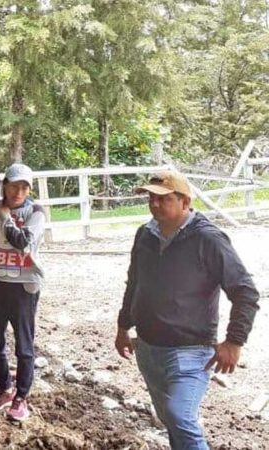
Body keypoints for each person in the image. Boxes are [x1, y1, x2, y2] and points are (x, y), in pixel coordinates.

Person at [115, 171, 260, 449]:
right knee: (171, 420)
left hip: (190, 350)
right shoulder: (145, 235)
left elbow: (245, 291)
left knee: (179, 416)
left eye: (163, 199)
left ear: (185, 202)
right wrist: (124, 326)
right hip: (148, 348)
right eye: (151, 198)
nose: (154, 204)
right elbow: (135, 282)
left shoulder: (208, 239)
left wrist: (234, 341)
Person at [0, 163, 46, 421]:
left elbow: (22, 243)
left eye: (25, 186)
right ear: (5, 185)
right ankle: (5, 387)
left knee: (24, 344)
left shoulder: (36, 212)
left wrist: (6, 217)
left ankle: (21, 396)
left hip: (24, 286)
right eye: (15, 185)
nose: (19, 191)